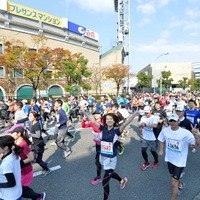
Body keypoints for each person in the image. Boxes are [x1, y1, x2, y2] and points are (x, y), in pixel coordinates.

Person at [83, 109, 139, 200]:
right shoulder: (102, 128)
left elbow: (125, 124)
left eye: (111, 119)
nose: (109, 120)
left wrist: (133, 115)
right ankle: (122, 180)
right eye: (107, 119)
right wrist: (85, 113)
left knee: (105, 181)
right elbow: (93, 121)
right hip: (103, 156)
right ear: (105, 121)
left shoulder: (117, 131)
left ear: (114, 121)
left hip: (111, 159)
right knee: (109, 173)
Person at [158, 113, 200, 200]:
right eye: (171, 121)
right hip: (169, 159)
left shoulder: (185, 133)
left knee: (173, 183)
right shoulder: (165, 131)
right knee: (173, 176)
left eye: (174, 121)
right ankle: (180, 184)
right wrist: (161, 149)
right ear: (169, 122)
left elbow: (197, 145)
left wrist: (196, 136)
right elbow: (161, 139)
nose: (173, 122)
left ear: (178, 121)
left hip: (180, 161)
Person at [7, 124, 46, 200]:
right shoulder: (17, 143)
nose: (10, 134)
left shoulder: (23, 144)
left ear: (19, 134)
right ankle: (38, 196)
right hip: (21, 170)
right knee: (22, 188)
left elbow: (31, 158)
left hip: (25, 171)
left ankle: (38, 196)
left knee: (20, 189)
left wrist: (18, 163)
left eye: (12, 132)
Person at [82, 110, 103, 185]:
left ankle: (99, 177)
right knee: (98, 161)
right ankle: (99, 176)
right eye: (95, 114)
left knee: (99, 162)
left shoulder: (104, 121)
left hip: (104, 144)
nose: (96, 115)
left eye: (97, 114)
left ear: (100, 114)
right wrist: (84, 119)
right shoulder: (92, 122)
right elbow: (83, 126)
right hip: (98, 144)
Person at [28, 111, 51, 177]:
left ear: (35, 117)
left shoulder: (36, 125)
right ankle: (45, 164)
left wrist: (30, 134)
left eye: (31, 116)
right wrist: (29, 128)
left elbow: (38, 135)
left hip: (38, 144)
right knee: (38, 158)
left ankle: (47, 169)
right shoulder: (34, 124)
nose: (29, 117)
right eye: (29, 116)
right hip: (36, 143)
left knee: (37, 159)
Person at [0, 135, 22, 200]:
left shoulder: (6, 164)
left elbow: (12, 183)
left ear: (6, 148)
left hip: (9, 196)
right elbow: (21, 164)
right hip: (17, 192)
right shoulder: (14, 153)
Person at [138, 106, 159, 170]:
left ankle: (156, 161)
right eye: (145, 113)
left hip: (153, 138)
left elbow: (155, 125)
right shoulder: (143, 117)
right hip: (145, 137)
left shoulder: (155, 117)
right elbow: (140, 124)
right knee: (143, 151)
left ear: (151, 111)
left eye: (147, 113)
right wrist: (140, 125)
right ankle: (146, 162)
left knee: (153, 151)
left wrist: (146, 124)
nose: (146, 114)